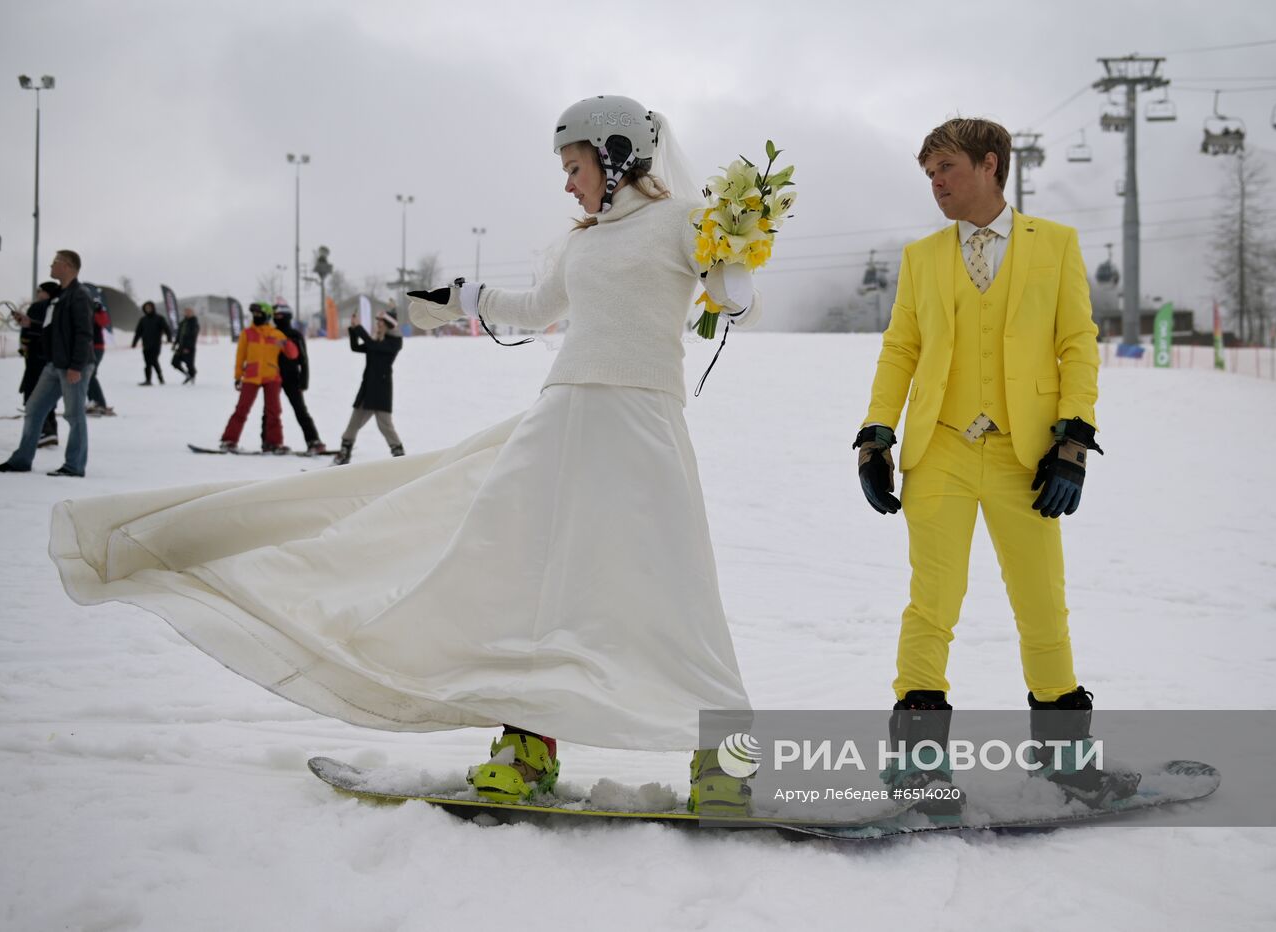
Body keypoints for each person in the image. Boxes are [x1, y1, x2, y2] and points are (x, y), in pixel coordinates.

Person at [50, 96, 758, 814]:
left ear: (615, 155)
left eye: (575, 167)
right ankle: (526, 748)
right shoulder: (584, 244)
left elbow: (733, 300)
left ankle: (728, 762)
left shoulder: (683, 222)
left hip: (642, 423)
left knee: (675, 588)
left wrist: (733, 266)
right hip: (562, 423)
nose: (567, 184)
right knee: (525, 583)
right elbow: (535, 309)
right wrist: (460, 299)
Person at [855, 117, 1136, 809]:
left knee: (1042, 605)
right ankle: (916, 767)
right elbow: (901, 349)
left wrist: (1073, 440)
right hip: (941, 449)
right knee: (932, 604)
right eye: (929, 174)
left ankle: (1065, 764)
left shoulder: (1055, 244)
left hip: (1027, 455)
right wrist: (876, 435)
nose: (936, 184)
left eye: (946, 169)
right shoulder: (922, 257)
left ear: (989, 165)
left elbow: (1077, 343)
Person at [1, 250, 94, 477]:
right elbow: (53, 326)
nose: (51, 266)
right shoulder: (60, 295)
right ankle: (22, 460)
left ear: (68, 266)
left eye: (55, 262)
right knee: (34, 409)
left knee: (74, 415)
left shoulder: (80, 295)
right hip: (54, 364)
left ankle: (74, 466)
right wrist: (29, 322)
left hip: (73, 366)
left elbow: (84, 333)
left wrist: (75, 366)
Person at [217, 302, 299, 453]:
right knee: (241, 409)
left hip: (272, 377)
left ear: (267, 316)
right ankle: (229, 441)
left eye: (259, 314)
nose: (256, 317)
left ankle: (274, 443)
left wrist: (286, 343)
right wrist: (238, 376)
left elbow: (293, 355)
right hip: (251, 377)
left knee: (273, 412)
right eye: (254, 314)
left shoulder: (277, 335)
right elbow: (240, 357)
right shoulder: (247, 333)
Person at [331, 307, 402, 465]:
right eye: (378, 321)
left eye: (381, 321)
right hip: (367, 390)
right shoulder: (375, 340)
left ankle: (399, 455)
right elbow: (356, 347)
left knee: (385, 426)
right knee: (353, 424)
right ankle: (344, 453)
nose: (378, 324)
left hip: (381, 391)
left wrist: (358, 327)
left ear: (388, 324)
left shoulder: (394, 342)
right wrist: (353, 329)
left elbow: (373, 346)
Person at [268, 305, 324, 454]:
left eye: (280, 316)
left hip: (292, 378)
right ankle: (269, 441)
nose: (277, 318)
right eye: (275, 316)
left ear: (287, 317)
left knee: (300, 410)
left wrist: (304, 380)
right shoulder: (271, 334)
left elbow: (304, 359)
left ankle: (314, 441)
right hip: (272, 377)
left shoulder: (295, 334)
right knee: (270, 410)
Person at [13, 282, 62, 447]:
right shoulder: (59, 307)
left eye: (40, 291)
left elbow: (28, 332)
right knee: (49, 397)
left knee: (33, 395)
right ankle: (51, 431)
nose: (38, 294)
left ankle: (43, 431)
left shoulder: (37, 307)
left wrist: (25, 344)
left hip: (36, 358)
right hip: (52, 358)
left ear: (47, 292)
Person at [85, 291, 115, 416]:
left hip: (96, 347)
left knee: (90, 375)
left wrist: (99, 310)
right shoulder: (83, 311)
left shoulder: (97, 313)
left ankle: (98, 402)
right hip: (86, 347)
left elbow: (104, 322)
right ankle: (94, 401)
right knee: (87, 375)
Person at [132, 301, 173, 385]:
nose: (148, 309)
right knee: (147, 363)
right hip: (146, 344)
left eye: (149, 307)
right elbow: (138, 332)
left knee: (154, 361)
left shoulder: (159, 318)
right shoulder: (143, 320)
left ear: (153, 308)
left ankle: (160, 378)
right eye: (146, 308)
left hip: (156, 344)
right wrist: (134, 342)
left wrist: (169, 338)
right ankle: (148, 380)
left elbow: (166, 329)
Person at [170, 306, 199, 385]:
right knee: (174, 362)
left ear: (193, 313)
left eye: (189, 312)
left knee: (189, 364)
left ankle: (192, 376)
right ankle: (187, 375)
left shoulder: (194, 323)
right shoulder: (182, 323)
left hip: (189, 347)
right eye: (186, 312)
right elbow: (178, 335)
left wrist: (188, 347)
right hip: (180, 347)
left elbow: (193, 336)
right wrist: (174, 344)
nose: (187, 313)